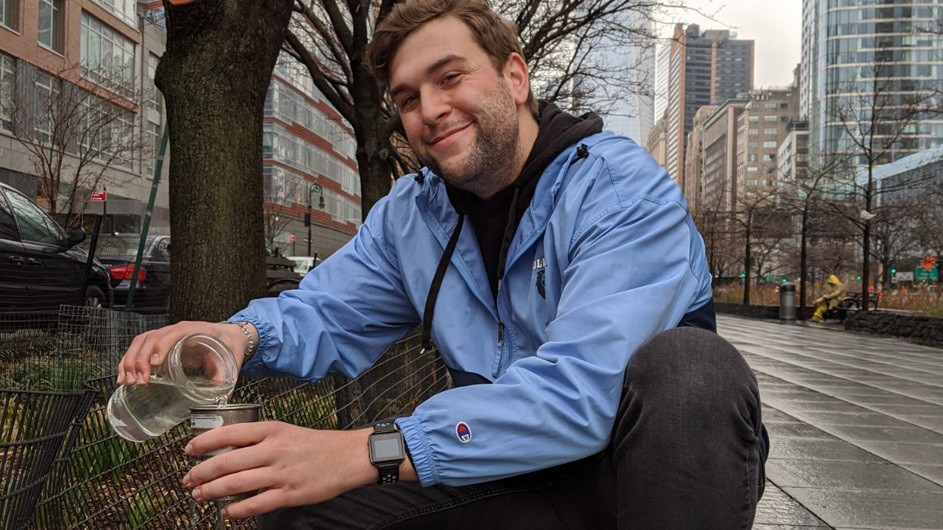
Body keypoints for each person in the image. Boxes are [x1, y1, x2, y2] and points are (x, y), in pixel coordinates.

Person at [116, 0, 767, 527]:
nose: (429, 109)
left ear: (515, 78)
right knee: (297, 499)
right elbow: (326, 311)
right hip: (504, 471)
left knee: (692, 368)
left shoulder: (620, 188)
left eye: (450, 77)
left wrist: (370, 449)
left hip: (633, 477)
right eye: (406, 97)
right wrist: (238, 337)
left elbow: (580, 394)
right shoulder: (413, 215)